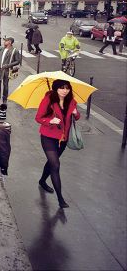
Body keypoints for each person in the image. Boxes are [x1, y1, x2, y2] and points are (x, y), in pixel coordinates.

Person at [35, 79, 80, 209]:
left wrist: (76, 114)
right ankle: (60, 199)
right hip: (48, 137)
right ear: (56, 89)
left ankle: (42, 180)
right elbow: (38, 118)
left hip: (63, 138)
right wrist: (50, 121)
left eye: (67, 88)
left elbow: (76, 117)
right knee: (55, 164)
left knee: (51, 163)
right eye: (61, 88)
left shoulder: (71, 101)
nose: (65, 91)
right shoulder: (48, 100)